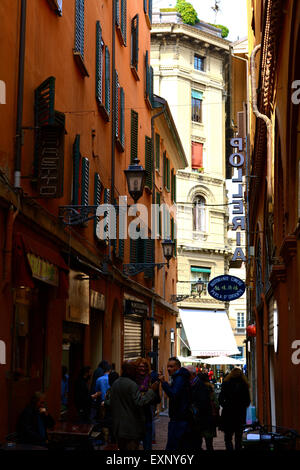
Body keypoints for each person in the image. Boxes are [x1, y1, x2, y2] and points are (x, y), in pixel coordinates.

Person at [108, 361, 160, 450]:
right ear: (128, 370)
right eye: (134, 369)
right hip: (130, 429)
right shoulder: (131, 384)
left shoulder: (116, 383)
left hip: (119, 428)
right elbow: (140, 402)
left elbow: (110, 402)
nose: (136, 371)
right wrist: (151, 390)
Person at [158, 357, 191, 451]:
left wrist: (163, 382)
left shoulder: (179, 378)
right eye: (168, 366)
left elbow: (173, 394)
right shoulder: (178, 377)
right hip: (180, 418)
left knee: (173, 447)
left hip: (179, 419)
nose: (168, 369)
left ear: (177, 367)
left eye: (171, 366)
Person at [218, 367, 251, 451]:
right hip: (240, 414)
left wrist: (226, 405)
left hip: (228, 413)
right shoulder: (244, 384)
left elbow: (220, 398)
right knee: (238, 437)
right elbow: (247, 401)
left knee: (228, 437)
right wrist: (242, 406)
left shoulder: (226, 383)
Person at [134, 358, 161, 450]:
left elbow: (156, 397)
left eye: (145, 367)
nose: (143, 369)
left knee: (147, 438)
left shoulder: (151, 378)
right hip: (136, 413)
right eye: (140, 367)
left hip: (148, 410)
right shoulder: (133, 379)